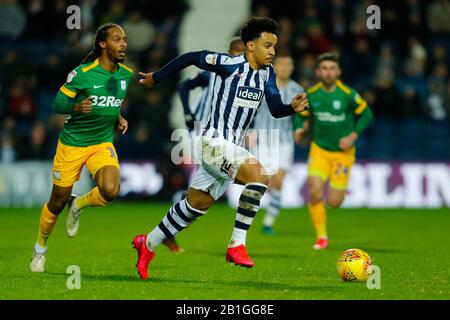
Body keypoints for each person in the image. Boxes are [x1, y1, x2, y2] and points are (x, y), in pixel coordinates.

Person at [133, 17, 309, 280]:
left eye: (275, 46)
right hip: (212, 142)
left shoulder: (266, 74)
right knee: (259, 177)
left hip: (230, 147)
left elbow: (274, 106)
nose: (273, 51)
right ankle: (236, 244)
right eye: (267, 45)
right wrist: (156, 78)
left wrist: (290, 108)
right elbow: (192, 57)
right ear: (250, 46)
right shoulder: (230, 64)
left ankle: (147, 243)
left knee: (196, 205)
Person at [29, 23, 132, 272]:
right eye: (117, 39)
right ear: (102, 44)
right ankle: (40, 249)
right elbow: (57, 104)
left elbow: (111, 102)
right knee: (56, 202)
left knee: (110, 189)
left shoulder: (125, 74)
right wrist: (75, 107)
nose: (123, 44)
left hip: (101, 142)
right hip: (73, 145)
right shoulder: (83, 73)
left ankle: (79, 204)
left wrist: (117, 116)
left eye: (125, 39)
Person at [163, 38, 245, 253]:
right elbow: (184, 86)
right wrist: (187, 112)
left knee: (205, 191)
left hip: (226, 137)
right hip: (203, 132)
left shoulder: (247, 78)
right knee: (206, 188)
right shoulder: (213, 73)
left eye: (242, 52)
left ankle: (168, 230)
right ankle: (169, 230)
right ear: (228, 51)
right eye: (235, 51)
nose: (238, 55)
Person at [293, 52, 373, 250]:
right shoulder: (312, 94)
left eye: (332, 69)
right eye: (324, 69)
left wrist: (352, 136)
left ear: (338, 71)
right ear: (318, 72)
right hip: (319, 150)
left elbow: (366, 115)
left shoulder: (347, 94)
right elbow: (300, 114)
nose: (328, 73)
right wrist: (299, 128)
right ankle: (321, 237)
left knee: (334, 202)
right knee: (314, 191)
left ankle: (339, 190)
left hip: (343, 155)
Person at [249, 52, 304, 235]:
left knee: (278, 180)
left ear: (292, 68)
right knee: (265, 182)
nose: (285, 68)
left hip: (284, 141)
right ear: (275, 66)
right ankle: (254, 214)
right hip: (263, 139)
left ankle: (269, 222)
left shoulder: (297, 89)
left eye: (289, 65)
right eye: (282, 65)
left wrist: (298, 129)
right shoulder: (262, 83)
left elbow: (300, 114)